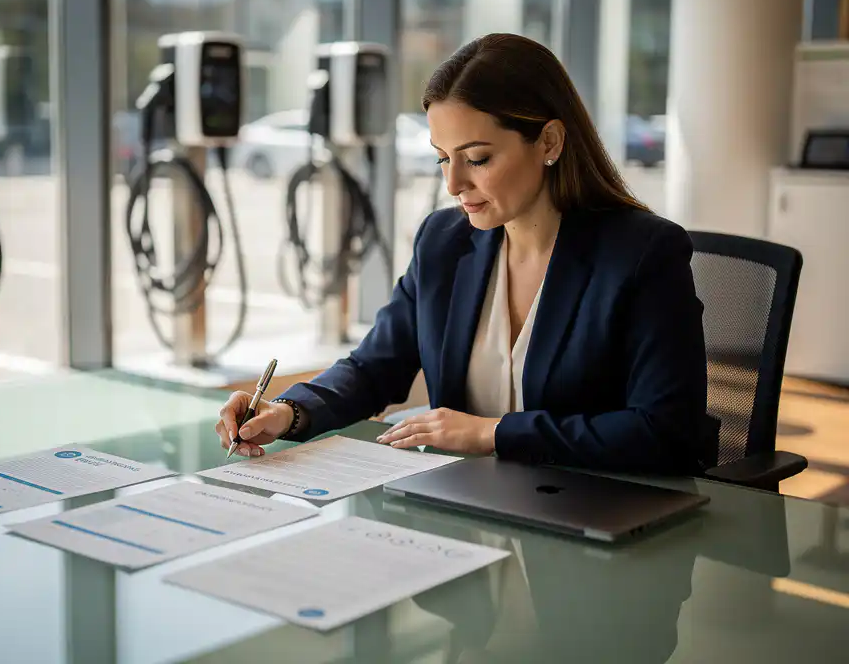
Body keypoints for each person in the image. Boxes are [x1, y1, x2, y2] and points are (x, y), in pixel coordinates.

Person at [216, 33, 708, 475]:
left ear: (550, 141)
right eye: (442, 158)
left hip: (595, 519)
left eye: (477, 159)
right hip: (472, 509)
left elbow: (665, 432)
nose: (453, 184)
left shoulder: (643, 254)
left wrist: (490, 433)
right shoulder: (444, 241)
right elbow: (374, 366)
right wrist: (289, 411)